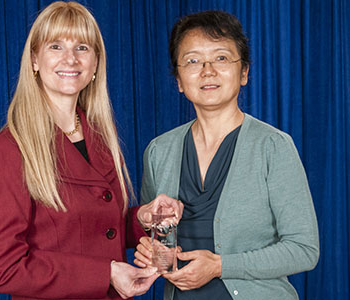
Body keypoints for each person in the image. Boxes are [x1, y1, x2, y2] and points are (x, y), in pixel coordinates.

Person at [0, 2, 183, 300]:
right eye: (56, 46)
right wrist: (107, 273)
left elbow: (92, 227)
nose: (70, 59)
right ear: (34, 59)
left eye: (83, 47)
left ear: (96, 63)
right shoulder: (10, 149)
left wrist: (142, 219)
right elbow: (1, 268)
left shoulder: (101, 138)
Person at [134, 10, 319, 300]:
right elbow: (151, 234)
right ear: (179, 80)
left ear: (244, 72)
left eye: (221, 58)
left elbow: (304, 250)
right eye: (193, 61)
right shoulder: (159, 151)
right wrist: (149, 249)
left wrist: (220, 266)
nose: (207, 71)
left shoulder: (273, 146)